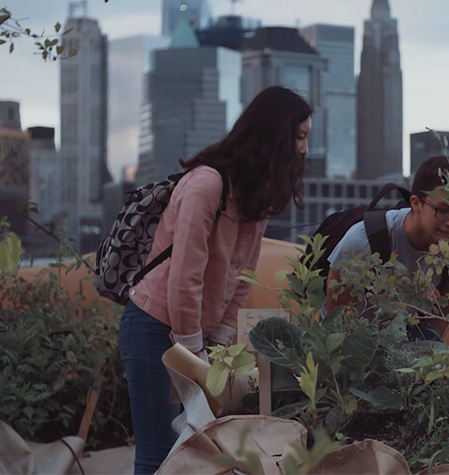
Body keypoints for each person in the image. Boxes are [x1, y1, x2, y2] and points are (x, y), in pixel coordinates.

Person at [118, 86, 312, 474]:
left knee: (196, 455)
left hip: (198, 338)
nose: (304, 149)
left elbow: (243, 276)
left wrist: (219, 340)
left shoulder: (258, 196)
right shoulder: (207, 185)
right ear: (274, 136)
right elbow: (185, 277)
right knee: (159, 456)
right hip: (155, 328)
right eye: (300, 137)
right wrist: (196, 356)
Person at [325, 156, 449, 340]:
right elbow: (337, 321)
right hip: (353, 344)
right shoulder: (364, 241)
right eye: (443, 210)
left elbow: (443, 313)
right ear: (416, 203)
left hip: (401, 345)